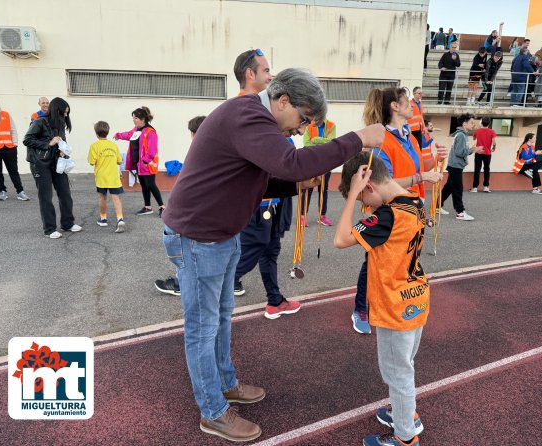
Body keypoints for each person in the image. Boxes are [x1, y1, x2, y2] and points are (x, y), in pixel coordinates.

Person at [160, 67, 385, 442]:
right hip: (198, 237)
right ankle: (212, 412)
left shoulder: (253, 118)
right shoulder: (247, 114)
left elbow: (269, 176)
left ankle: (224, 384)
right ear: (283, 101)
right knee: (202, 328)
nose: (302, 129)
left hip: (220, 233)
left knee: (221, 317)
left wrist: (301, 181)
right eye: (304, 119)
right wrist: (357, 139)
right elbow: (290, 163)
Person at [334, 152, 429, 446]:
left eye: (363, 198)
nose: (364, 206)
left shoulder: (387, 215)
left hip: (394, 305)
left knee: (397, 373)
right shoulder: (414, 201)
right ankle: (407, 414)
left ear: (369, 186)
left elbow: (340, 239)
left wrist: (351, 196)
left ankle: (405, 438)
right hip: (417, 297)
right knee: (405, 364)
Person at [351, 87, 445, 335]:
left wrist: (436, 159)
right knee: (373, 258)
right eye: (407, 102)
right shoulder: (381, 141)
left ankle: (394, 299)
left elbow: (419, 167)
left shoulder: (410, 137)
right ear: (394, 106)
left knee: (406, 257)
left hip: (412, 207)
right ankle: (361, 308)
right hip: (390, 209)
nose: (412, 105)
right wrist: (421, 176)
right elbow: (385, 181)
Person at [230, 49, 299, 320]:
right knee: (251, 252)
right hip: (259, 204)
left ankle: (275, 300)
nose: (272, 76)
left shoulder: (265, 111)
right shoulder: (243, 112)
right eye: (267, 70)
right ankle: (208, 291)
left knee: (270, 249)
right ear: (250, 74)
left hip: (277, 199)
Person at [155, 115, 206, 296]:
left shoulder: (198, 152)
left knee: (187, 254)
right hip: (205, 214)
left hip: (193, 215)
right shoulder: (215, 150)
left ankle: (179, 283)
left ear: (192, 134)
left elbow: (188, 187)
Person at [23, 97, 82, 238]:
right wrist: (48, 143)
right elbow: (27, 139)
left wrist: (64, 150)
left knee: (65, 193)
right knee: (46, 197)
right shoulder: (39, 122)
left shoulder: (60, 124)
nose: (66, 115)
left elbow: (62, 141)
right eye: (64, 112)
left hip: (57, 162)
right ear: (57, 111)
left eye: (67, 113)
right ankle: (49, 229)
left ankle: (68, 223)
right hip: (40, 163)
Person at [114, 107, 165, 216]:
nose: (134, 120)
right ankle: (148, 207)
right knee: (144, 185)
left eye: (136, 118)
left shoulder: (150, 132)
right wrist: (118, 135)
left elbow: (152, 150)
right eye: (133, 118)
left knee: (151, 185)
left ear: (143, 119)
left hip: (147, 164)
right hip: (139, 164)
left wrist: (145, 161)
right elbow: (128, 135)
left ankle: (162, 207)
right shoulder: (136, 130)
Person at [440, 113, 483, 220]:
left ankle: (437, 205)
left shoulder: (461, 134)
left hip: (454, 165)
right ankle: (460, 212)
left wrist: (472, 149)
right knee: (457, 189)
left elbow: (459, 151)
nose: (473, 125)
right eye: (471, 123)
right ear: (464, 124)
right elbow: (460, 152)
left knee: (449, 187)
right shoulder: (461, 135)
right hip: (455, 166)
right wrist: (473, 150)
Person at [0, 94, 30, 201]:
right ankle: (2, 192)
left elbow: (13, 130)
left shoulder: (6, 114)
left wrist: (15, 143)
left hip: (9, 148)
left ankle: (20, 192)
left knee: (13, 170)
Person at [87, 121, 125, 233]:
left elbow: (91, 162)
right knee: (116, 198)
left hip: (101, 177)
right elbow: (119, 161)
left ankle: (103, 219)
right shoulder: (114, 145)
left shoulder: (94, 146)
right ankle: (120, 219)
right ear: (108, 132)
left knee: (102, 197)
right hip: (113, 176)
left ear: (96, 133)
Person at [302, 117, 337, 227]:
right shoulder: (309, 126)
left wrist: (316, 139)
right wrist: (323, 142)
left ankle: (322, 216)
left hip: (326, 163)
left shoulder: (331, 125)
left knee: (323, 190)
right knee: (308, 189)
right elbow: (306, 143)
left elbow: (332, 142)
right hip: (311, 164)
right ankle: (303, 216)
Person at [470, 116, 497, 193]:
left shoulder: (477, 131)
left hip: (479, 152)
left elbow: (474, 139)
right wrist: (494, 148)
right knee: (487, 169)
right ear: (489, 123)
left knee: (477, 169)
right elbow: (494, 142)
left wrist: (479, 128)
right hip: (487, 153)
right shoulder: (492, 131)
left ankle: (475, 187)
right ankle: (486, 187)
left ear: (481, 122)